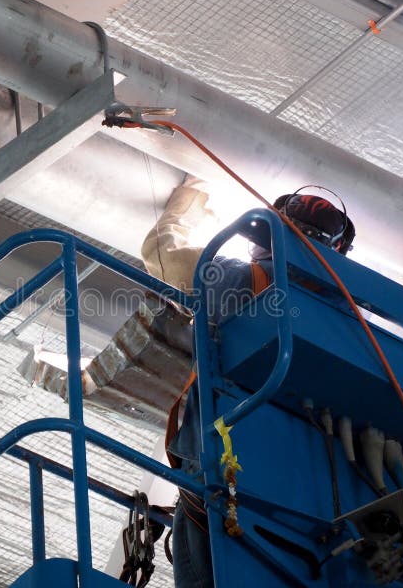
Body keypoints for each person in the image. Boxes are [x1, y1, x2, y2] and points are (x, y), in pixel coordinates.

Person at [140, 175, 355, 588]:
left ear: (268, 234)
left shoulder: (241, 278)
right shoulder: (349, 320)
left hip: (224, 476)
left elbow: (160, 254)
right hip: (317, 502)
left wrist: (189, 196)